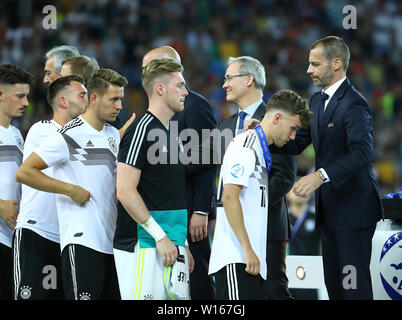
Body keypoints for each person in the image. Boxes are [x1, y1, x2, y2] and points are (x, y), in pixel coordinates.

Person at [273, 36, 383, 299]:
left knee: (352, 290)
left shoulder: (354, 103)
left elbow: (362, 153)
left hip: (354, 211)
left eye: (315, 64)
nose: (308, 70)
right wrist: (265, 136)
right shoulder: (316, 101)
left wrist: (321, 176)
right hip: (330, 211)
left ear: (336, 64)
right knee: (335, 288)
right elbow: (298, 142)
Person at [16, 68, 127, 300]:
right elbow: (25, 172)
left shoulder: (113, 135)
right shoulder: (69, 134)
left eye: (121, 100)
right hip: (81, 239)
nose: (119, 106)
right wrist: (70, 189)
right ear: (94, 99)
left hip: (110, 243)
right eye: (114, 99)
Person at [209, 90, 312, 300]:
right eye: (293, 129)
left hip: (251, 260)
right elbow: (229, 197)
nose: (294, 137)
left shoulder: (259, 148)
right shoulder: (245, 146)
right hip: (236, 258)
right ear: (276, 118)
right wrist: (247, 248)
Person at [217, 56, 296, 299]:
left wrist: (252, 210)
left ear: (249, 79)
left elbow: (284, 176)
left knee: (273, 292)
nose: (224, 84)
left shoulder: (276, 118)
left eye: (229, 78)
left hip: (268, 228)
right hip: (233, 230)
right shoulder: (224, 126)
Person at [114, 58, 193, 300]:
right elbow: (125, 191)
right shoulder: (141, 129)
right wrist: (160, 236)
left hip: (172, 243)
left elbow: (170, 192)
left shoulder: (172, 133)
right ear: (160, 89)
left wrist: (183, 243)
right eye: (179, 85)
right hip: (145, 244)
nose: (186, 92)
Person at [142, 46, 217, 300]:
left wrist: (201, 210)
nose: (144, 74)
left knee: (195, 281)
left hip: (190, 213)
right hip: (166, 212)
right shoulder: (156, 112)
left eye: (149, 67)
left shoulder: (195, 105)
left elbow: (209, 158)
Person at [13, 75, 88, 300]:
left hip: (65, 238)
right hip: (36, 231)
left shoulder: (82, 136)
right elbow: (80, 147)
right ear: (63, 101)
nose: (88, 101)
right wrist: (70, 190)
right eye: (82, 95)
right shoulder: (43, 130)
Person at [0, 64, 33, 300]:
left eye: (27, 96)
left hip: (11, 236)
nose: (26, 103)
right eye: (20, 96)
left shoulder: (16, 134)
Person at [286, 186, 320, 300]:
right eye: (294, 189)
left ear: (309, 193)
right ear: (287, 194)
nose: (299, 192)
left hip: (311, 271)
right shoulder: (282, 217)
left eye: (302, 189)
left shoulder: (317, 217)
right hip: (287, 271)